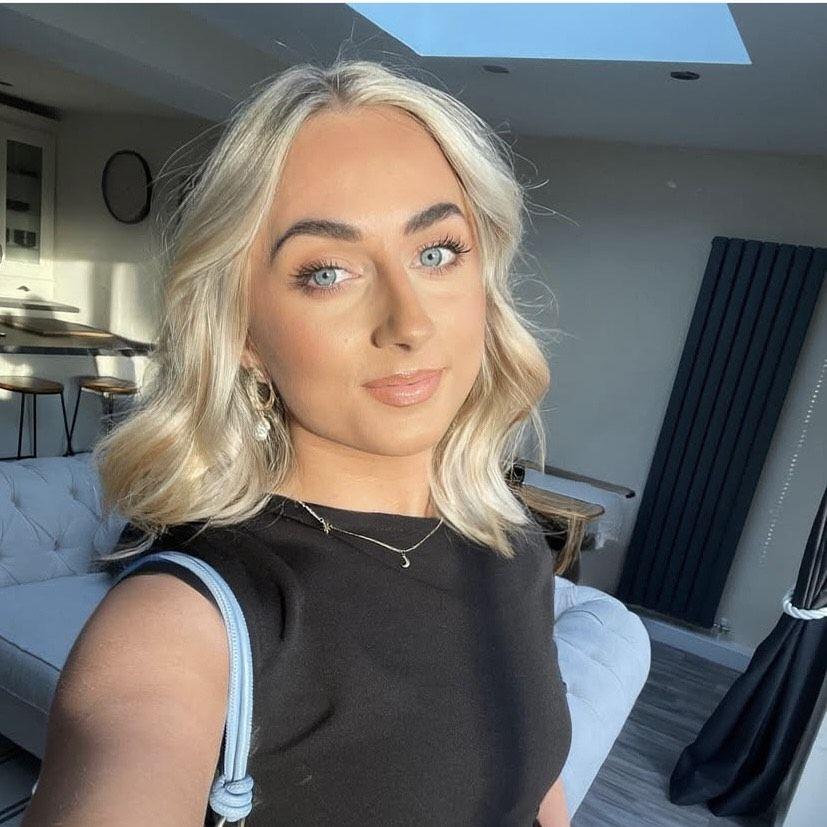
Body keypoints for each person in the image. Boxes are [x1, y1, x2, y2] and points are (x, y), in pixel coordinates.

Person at [23, 58, 571, 826]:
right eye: (327, 272)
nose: (409, 323)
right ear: (243, 331)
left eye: (436, 251)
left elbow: (535, 792)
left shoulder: (510, 544)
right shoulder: (183, 623)